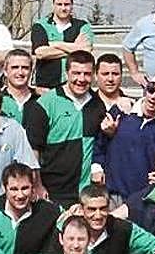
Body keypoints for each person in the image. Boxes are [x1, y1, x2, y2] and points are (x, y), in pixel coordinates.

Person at [22, 50, 106, 207]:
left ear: (93, 75)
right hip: (52, 190)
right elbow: (33, 149)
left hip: (85, 192)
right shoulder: (46, 103)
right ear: (67, 73)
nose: (81, 79)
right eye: (76, 73)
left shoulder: (97, 104)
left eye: (87, 74)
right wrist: (38, 185)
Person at [95, 71, 155, 204]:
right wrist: (97, 168)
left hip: (147, 199)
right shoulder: (121, 111)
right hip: (113, 194)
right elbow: (99, 144)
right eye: (150, 90)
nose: (153, 96)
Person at [30, 0, 94, 90]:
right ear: (53, 5)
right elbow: (40, 53)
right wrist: (75, 49)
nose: (63, 8)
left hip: (76, 86)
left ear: (72, 5)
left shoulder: (83, 26)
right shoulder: (40, 25)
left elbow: (86, 50)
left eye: (67, 4)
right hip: (46, 86)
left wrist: (55, 44)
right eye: (59, 4)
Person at [0, 48, 37, 123]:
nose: (20, 72)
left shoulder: (41, 100)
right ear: (5, 71)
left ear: (31, 71)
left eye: (25, 68)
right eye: (15, 67)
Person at [93, 53, 134, 117]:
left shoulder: (134, 106)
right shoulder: (86, 105)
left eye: (115, 74)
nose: (110, 79)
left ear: (121, 76)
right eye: (105, 74)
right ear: (96, 76)